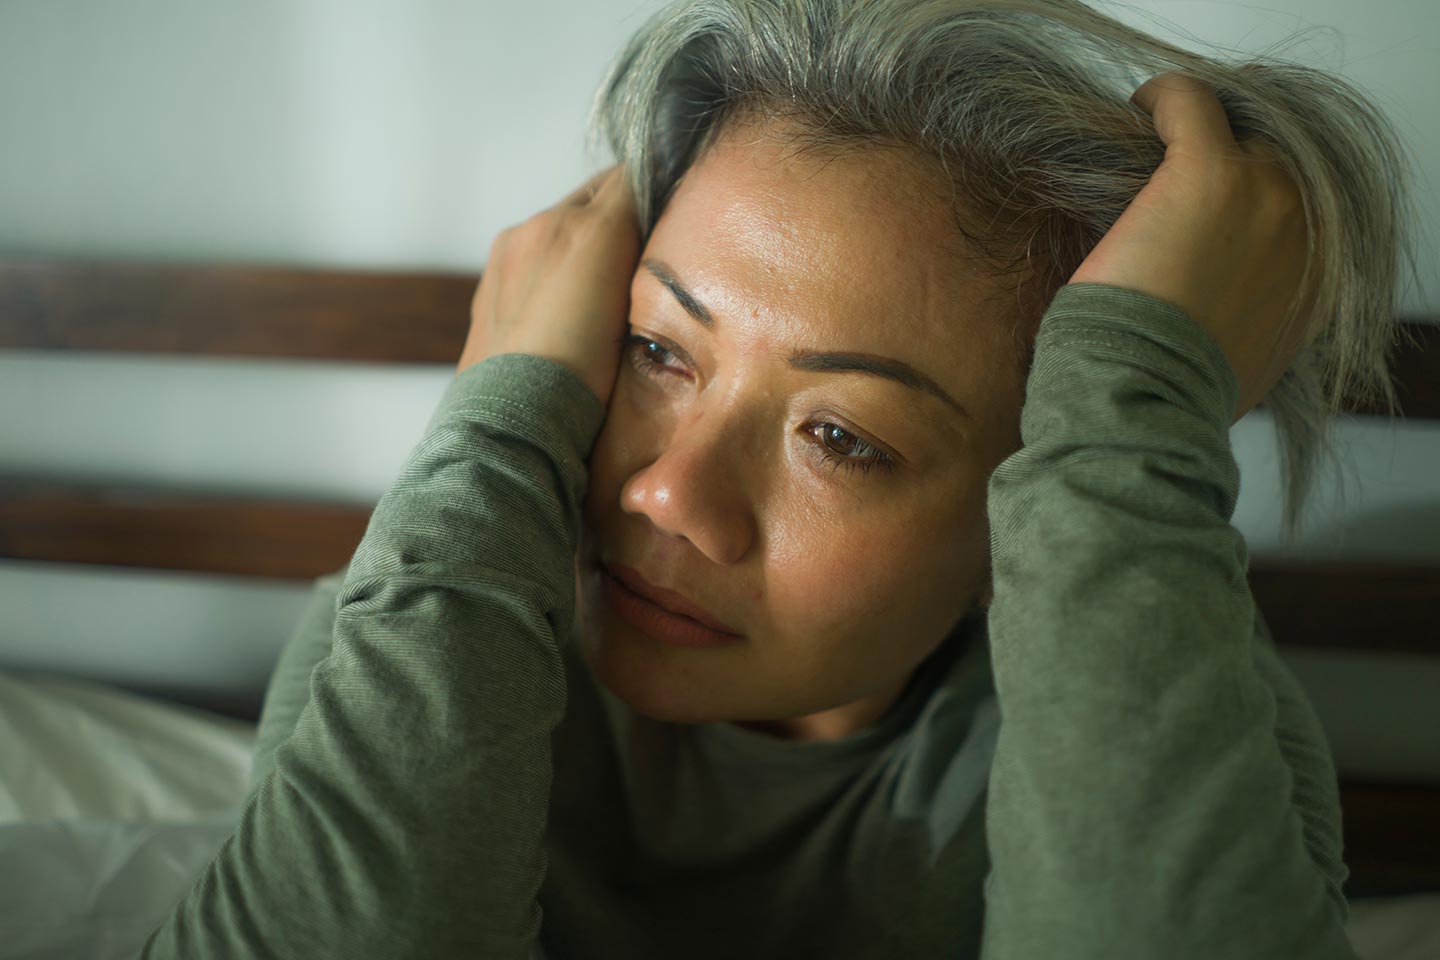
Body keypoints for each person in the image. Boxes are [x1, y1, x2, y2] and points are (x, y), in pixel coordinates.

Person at [142, 0, 1421, 956]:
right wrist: (499, 418)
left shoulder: (1186, 714)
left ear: (1045, 481)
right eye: (656, 350)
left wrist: (1134, 407)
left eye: (844, 438)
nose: (668, 496)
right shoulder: (421, 630)